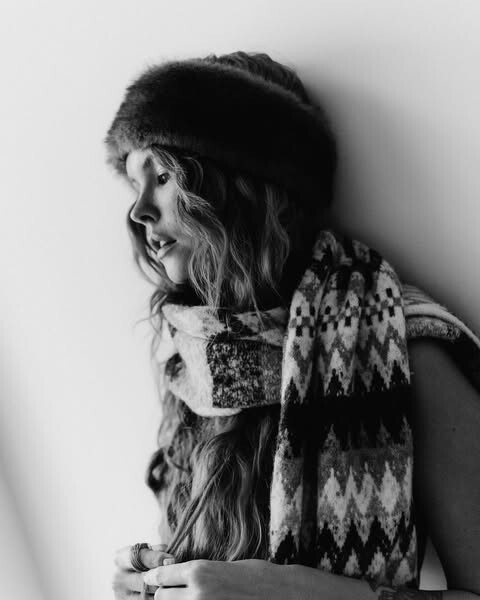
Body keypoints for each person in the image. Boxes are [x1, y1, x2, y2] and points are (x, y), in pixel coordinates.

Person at [105, 51, 480, 600]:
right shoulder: (187, 355)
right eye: (133, 184)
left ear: (243, 185)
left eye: (162, 177)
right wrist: (153, 581)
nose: (138, 212)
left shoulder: (401, 346)